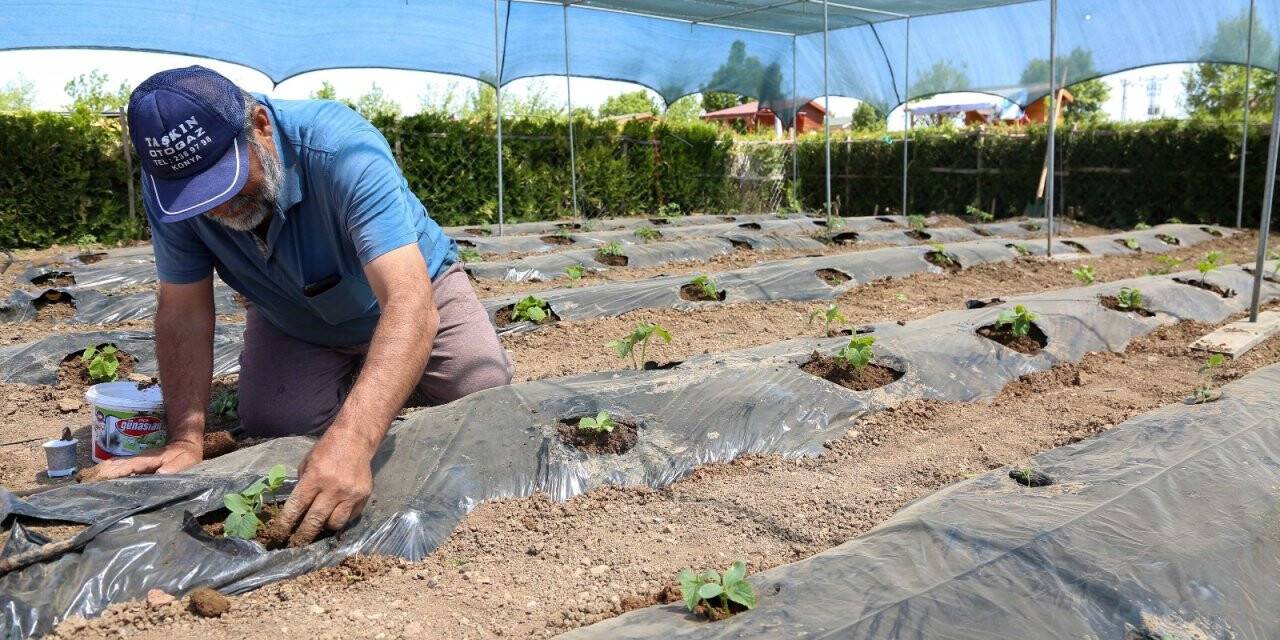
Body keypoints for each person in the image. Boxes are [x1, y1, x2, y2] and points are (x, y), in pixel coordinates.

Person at [96, 66, 514, 544]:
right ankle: (374, 380)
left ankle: (388, 378)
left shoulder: (341, 149)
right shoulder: (169, 193)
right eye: (195, 195)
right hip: (291, 316)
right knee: (275, 423)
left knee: (480, 386)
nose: (215, 206)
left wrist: (354, 441)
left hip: (412, 293)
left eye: (223, 179)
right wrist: (185, 439)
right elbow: (183, 312)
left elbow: (408, 300)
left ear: (260, 125)